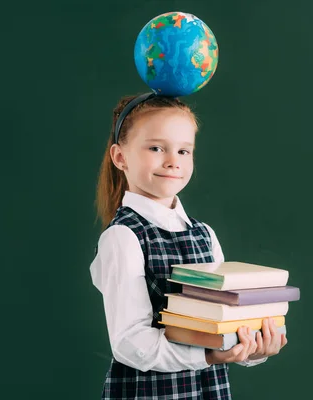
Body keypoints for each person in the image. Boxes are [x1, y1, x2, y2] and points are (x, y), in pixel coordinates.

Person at [89, 93, 287, 399]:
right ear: (120, 157)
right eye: (156, 148)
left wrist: (253, 348)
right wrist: (207, 356)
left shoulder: (204, 234)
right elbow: (130, 343)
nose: (172, 161)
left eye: (184, 151)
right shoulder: (123, 237)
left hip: (207, 390)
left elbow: (221, 324)